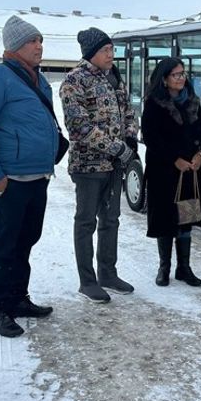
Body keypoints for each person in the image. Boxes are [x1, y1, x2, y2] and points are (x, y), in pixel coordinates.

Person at [0, 16, 57, 338]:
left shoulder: (38, 79)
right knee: (4, 246)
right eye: (32, 40)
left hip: (37, 179)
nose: (39, 46)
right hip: (10, 182)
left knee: (26, 241)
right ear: (15, 45)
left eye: (40, 40)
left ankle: (18, 298)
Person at [60, 27, 138, 303]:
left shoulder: (114, 78)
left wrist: (130, 137)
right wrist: (116, 148)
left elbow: (129, 111)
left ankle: (108, 273)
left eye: (112, 49)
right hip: (88, 167)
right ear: (91, 52)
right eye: (105, 50)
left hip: (114, 166)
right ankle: (87, 281)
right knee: (86, 222)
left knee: (111, 220)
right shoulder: (74, 81)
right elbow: (79, 126)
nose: (111, 55)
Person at [140, 58, 201, 287]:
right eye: (176, 75)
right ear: (164, 79)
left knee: (186, 218)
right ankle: (164, 267)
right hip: (163, 172)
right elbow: (151, 137)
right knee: (165, 219)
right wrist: (174, 159)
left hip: (189, 171)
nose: (181, 78)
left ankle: (184, 268)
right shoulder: (154, 103)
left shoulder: (191, 101)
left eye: (183, 74)